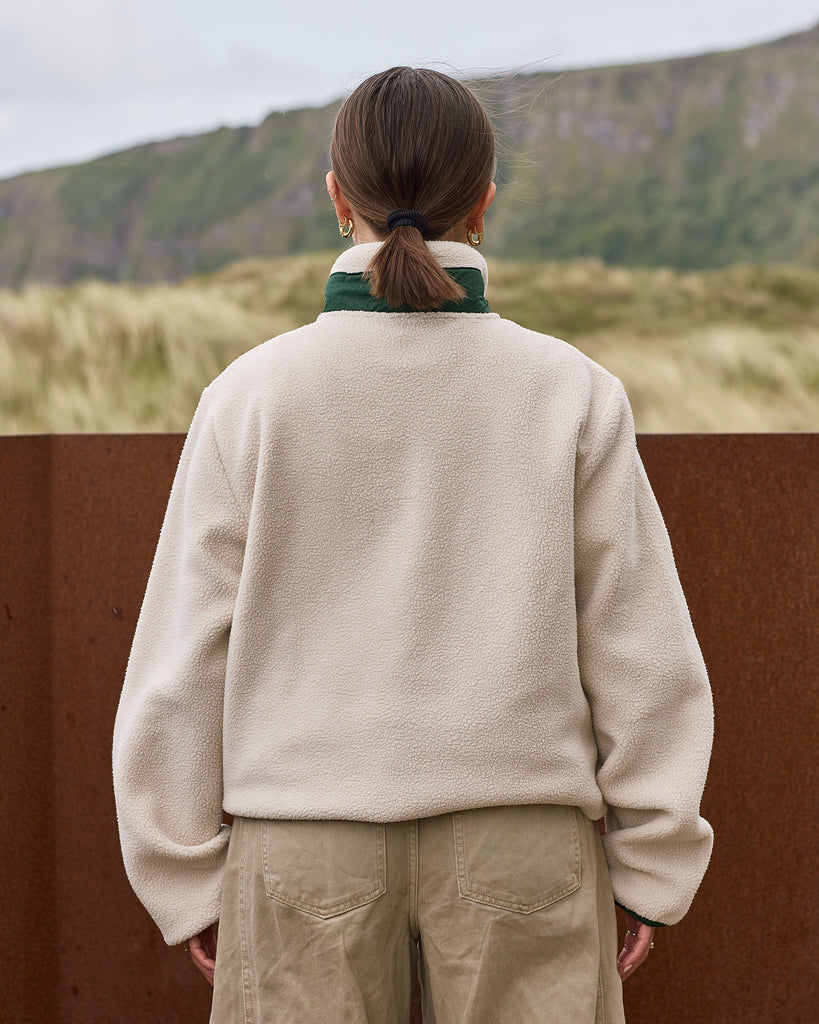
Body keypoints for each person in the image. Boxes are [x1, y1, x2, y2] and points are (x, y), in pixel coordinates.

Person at [113, 66, 713, 1023]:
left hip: (299, 842)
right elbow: (638, 648)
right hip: (527, 846)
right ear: (482, 201)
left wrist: (181, 871)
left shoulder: (250, 396)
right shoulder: (571, 391)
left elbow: (181, 660)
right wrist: (651, 859)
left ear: (335, 197)